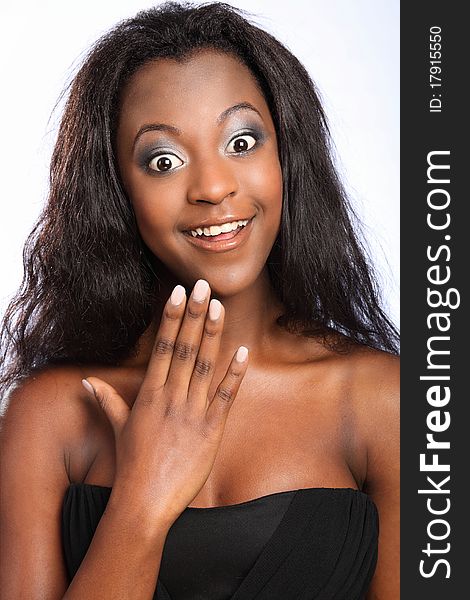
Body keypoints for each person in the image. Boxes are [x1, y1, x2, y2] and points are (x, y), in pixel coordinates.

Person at [0, 2, 399, 598]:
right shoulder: (51, 416)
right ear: (116, 188)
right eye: (164, 160)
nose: (213, 187)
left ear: (287, 154)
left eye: (242, 141)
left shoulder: (384, 402)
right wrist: (143, 500)